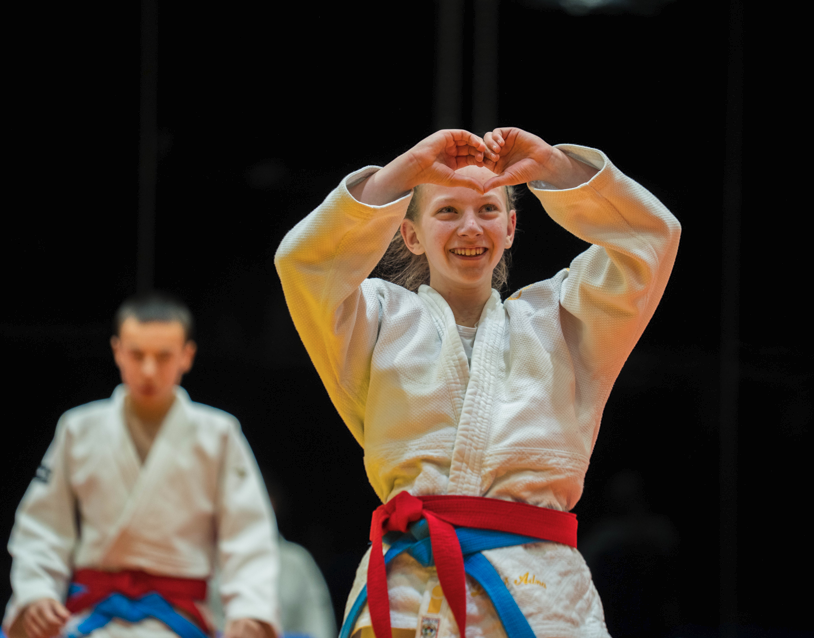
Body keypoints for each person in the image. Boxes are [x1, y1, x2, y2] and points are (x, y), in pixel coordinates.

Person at [274, 127, 681, 638]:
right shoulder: (376, 320)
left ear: (511, 227)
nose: (470, 226)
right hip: (409, 590)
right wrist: (407, 168)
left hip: (538, 591)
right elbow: (303, 263)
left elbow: (651, 239)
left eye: (487, 210)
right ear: (410, 233)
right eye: (447, 211)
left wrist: (554, 167)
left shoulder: (562, 317)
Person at [3, 293, 282, 638]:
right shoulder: (78, 428)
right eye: (136, 355)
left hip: (179, 619)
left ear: (187, 355)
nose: (149, 370)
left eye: (163, 356)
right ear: (117, 351)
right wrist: (37, 593)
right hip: (90, 613)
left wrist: (249, 610)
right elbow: (43, 528)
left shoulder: (220, 434)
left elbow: (248, 535)